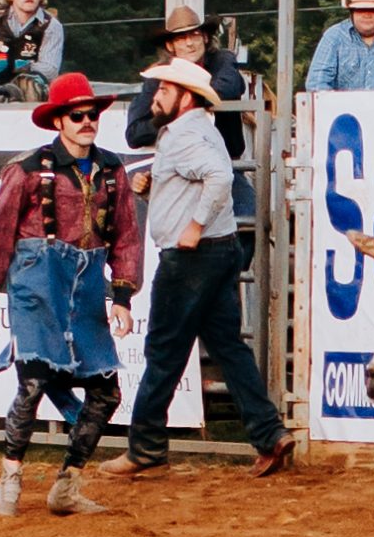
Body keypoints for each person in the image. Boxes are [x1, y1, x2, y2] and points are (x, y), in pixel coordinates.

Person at [102, 58, 294, 481]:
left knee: (164, 350)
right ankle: (269, 434)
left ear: (184, 97)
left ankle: (146, 448)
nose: (156, 97)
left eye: (165, 90)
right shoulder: (199, 129)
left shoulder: (183, 135)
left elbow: (220, 177)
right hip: (217, 252)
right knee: (228, 347)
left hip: (190, 258)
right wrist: (161, 190)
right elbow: (209, 178)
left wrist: (192, 226)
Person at [0, 70, 142, 516]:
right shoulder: (27, 170)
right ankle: (11, 476)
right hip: (37, 286)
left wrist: (122, 295)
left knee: (106, 392)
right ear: (59, 121)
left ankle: (68, 483)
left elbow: (125, 234)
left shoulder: (111, 170)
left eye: (92, 115)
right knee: (33, 383)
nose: (87, 122)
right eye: (77, 115)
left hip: (85, 288)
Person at [127, 4, 254, 225]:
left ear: (205, 37)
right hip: (180, 172)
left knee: (250, 218)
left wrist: (185, 101)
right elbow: (135, 133)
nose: (189, 43)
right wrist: (173, 118)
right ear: (170, 45)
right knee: (181, 230)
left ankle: (234, 260)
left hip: (227, 168)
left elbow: (231, 86)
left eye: (194, 35)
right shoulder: (159, 76)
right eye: (181, 37)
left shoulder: (222, 59)